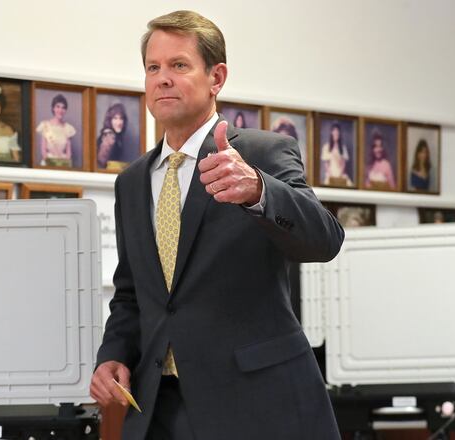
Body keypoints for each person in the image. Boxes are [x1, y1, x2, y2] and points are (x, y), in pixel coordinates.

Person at [90, 10, 344, 440]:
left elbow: (324, 241)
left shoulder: (263, 153)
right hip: (159, 407)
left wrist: (259, 190)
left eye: (179, 65)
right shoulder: (131, 182)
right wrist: (113, 353)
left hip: (257, 404)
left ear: (217, 77)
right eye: (153, 67)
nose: (162, 78)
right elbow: (133, 292)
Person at [36, 94, 76, 167]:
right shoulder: (45, 125)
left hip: (63, 163)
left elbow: (68, 152)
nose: (60, 110)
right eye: (57, 107)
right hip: (48, 162)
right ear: (53, 108)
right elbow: (43, 150)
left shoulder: (68, 128)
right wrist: (51, 164)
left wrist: (65, 165)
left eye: (63, 108)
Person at [96, 102, 131, 170]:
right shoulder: (109, 135)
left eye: (121, 118)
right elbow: (101, 162)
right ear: (110, 120)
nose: (119, 122)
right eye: (115, 118)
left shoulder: (117, 136)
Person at [319, 122, 353, 187]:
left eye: (337, 132)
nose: (336, 134)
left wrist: (340, 175)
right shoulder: (326, 147)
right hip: (330, 173)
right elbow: (326, 163)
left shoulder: (343, 148)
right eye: (334, 132)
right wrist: (331, 174)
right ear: (331, 133)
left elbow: (343, 163)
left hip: (341, 173)